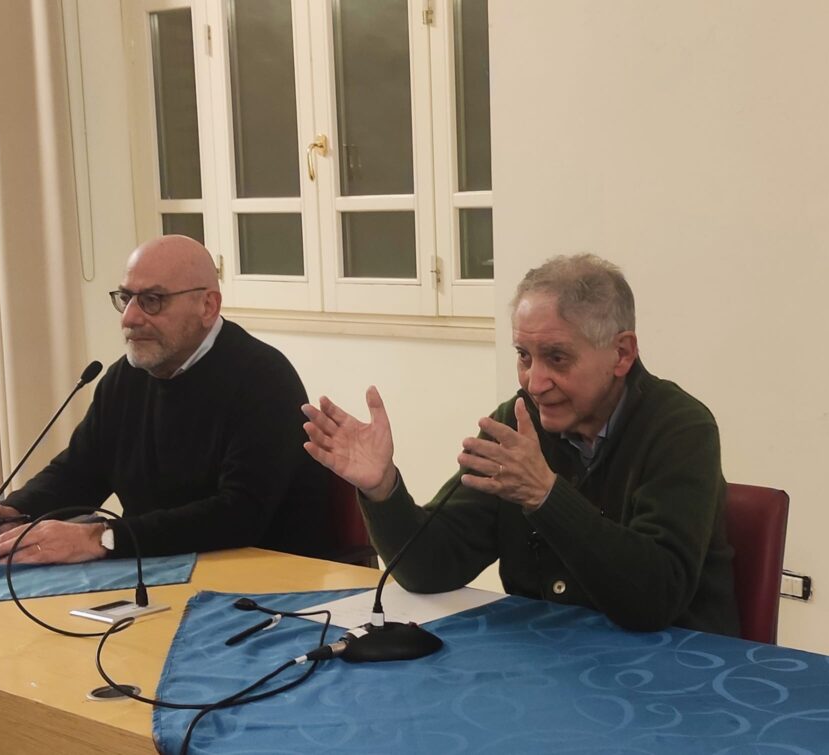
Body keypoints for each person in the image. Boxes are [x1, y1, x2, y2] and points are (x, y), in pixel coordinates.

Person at [302, 254, 739, 635]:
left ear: (621, 354)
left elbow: (655, 599)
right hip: (550, 658)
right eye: (524, 356)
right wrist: (383, 489)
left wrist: (546, 496)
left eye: (557, 358)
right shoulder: (517, 420)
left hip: (672, 668)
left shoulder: (680, 429)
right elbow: (431, 567)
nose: (535, 382)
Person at [0, 234, 331, 564]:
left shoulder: (263, 379)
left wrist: (103, 538)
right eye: (126, 298)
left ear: (207, 306)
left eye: (152, 300)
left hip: (266, 582)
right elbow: (80, 472)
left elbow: (239, 515)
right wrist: (18, 508)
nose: (130, 318)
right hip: (154, 566)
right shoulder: (125, 378)